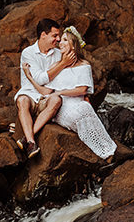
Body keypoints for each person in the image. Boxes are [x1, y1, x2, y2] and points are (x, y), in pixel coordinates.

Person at [24, 25, 117, 160]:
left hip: (76, 101)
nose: (60, 43)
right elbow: (46, 90)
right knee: (82, 111)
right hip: (61, 106)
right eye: (60, 40)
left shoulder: (84, 65)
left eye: (65, 40)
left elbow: (82, 89)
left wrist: (60, 92)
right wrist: (29, 76)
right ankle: (103, 151)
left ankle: (106, 149)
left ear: (73, 46)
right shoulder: (55, 66)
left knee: (85, 107)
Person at [14, 19, 76, 158]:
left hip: (48, 97)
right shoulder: (28, 53)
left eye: (58, 36)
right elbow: (40, 79)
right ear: (43, 35)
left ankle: (27, 138)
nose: (58, 39)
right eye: (54, 35)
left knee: (56, 100)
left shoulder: (59, 53)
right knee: (22, 100)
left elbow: (68, 76)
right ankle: (31, 142)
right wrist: (62, 64)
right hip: (30, 94)